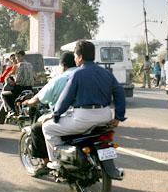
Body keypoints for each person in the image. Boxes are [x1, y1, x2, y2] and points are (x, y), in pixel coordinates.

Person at [42, 40, 126, 170]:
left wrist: (56, 115)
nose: (75, 59)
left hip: (83, 119)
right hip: (105, 117)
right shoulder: (106, 73)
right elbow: (120, 93)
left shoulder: (77, 74)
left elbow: (65, 99)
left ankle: (56, 162)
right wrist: (118, 117)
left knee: (48, 127)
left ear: (80, 57)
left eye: (75, 56)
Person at [20, 52, 78, 168]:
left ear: (63, 65)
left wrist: (27, 102)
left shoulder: (60, 79)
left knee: (37, 128)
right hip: (94, 115)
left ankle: (48, 163)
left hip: (69, 117)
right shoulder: (83, 75)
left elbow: (40, 97)